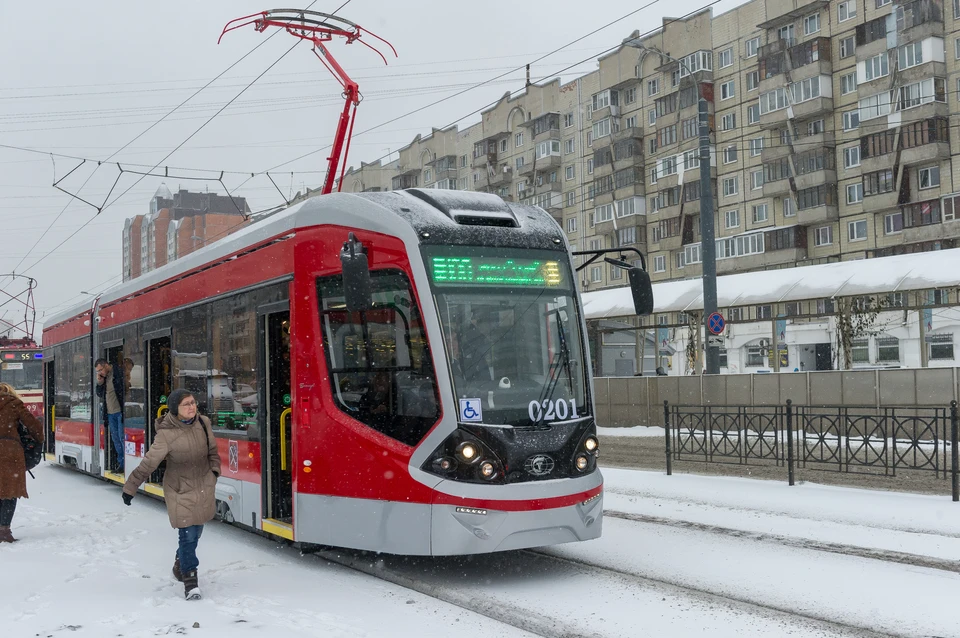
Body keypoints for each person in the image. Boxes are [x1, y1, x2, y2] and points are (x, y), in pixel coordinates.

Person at [122, 389, 221, 600]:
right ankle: (191, 581)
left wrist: (214, 473)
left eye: (193, 402)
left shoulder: (203, 423)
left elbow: (213, 452)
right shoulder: (166, 434)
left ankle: (180, 564)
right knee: (188, 536)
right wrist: (131, 487)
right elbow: (149, 462)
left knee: (196, 533)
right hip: (179, 489)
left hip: (203, 486)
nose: (192, 407)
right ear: (176, 409)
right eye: (186, 404)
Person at [0, 382, 44, 543]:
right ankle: (4, 531)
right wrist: (38, 441)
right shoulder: (14, 404)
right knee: (9, 492)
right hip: (11, 452)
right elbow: (35, 427)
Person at [95, 358, 126, 473]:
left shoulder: (117, 372)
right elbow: (99, 394)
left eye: (101, 370)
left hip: (119, 411)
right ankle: (121, 463)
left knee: (122, 438)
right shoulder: (104, 377)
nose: (100, 373)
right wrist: (99, 382)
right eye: (98, 371)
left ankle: (125, 463)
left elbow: (123, 389)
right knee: (116, 439)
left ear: (106, 365)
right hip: (110, 413)